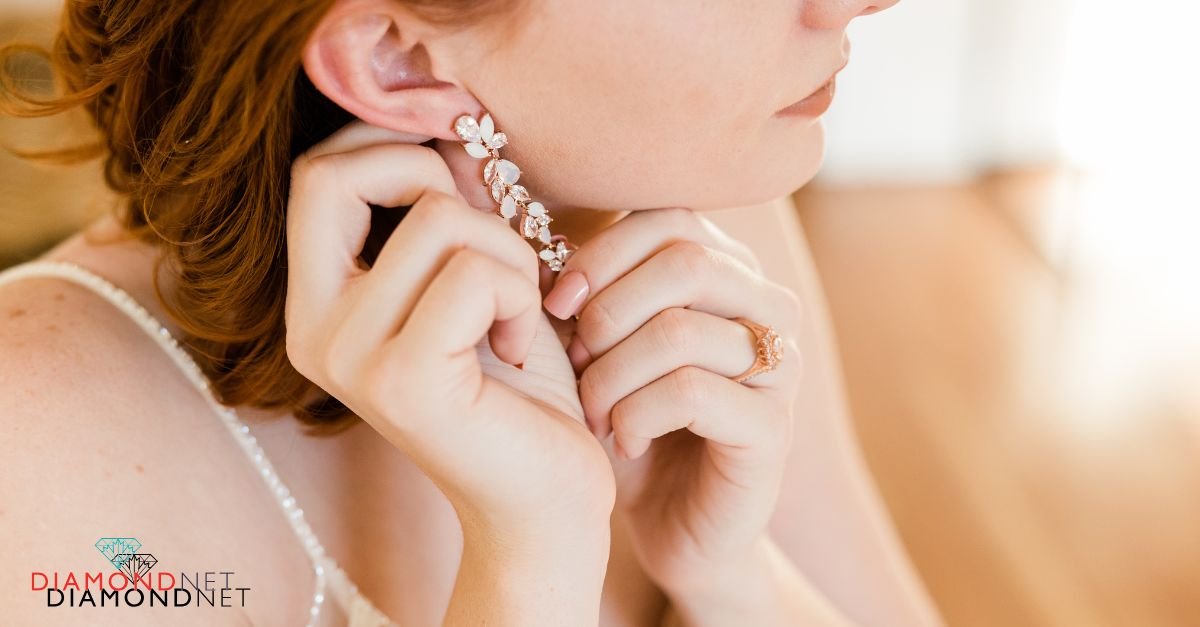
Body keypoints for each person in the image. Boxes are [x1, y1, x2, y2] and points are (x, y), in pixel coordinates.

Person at [0, 0, 943, 625]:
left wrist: (729, 579)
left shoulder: (699, 238)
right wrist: (532, 552)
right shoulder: (38, 440)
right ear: (396, 57)